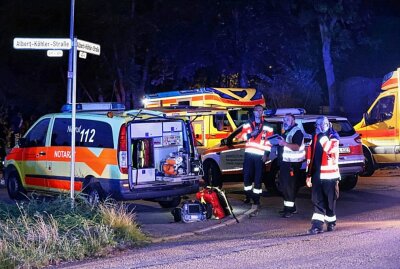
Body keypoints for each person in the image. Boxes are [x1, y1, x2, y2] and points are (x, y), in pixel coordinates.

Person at [305, 116, 340, 234]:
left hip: (329, 175)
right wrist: (308, 175)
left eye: (322, 124)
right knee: (316, 200)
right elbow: (310, 156)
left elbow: (329, 149)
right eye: (317, 124)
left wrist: (322, 136)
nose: (319, 127)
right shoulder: (314, 136)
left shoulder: (333, 137)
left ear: (327, 124)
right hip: (316, 174)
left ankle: (331, 222)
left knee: (330, 201)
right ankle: (317, 225)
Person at [241, 105, 274, 216]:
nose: (258, 112)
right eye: (257, 110)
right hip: (249, 154)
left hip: (260, 156)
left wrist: (266, 155)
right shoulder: (247, 123)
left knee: (258, 178)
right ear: (254, 112)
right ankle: (248, 195)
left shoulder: (268, 125)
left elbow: (269, 142)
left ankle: (256, 199)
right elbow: (242, 137)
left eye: (260, 110)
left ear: (262, 112)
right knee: (246, 176)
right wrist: (251, 134)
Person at [277, 113, 305, 218]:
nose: (284, 121)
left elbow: (296, 147)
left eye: (287, 119)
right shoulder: (288, 131)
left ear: (293, 121)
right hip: (286, 163)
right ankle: (288, 208)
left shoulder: (297, 131)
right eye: (284, 119)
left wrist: (284, 143)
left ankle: (290, 210)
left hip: (292, 164)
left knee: (289, 187)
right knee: (285, 186)